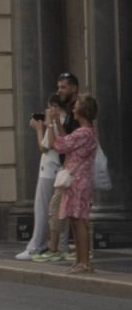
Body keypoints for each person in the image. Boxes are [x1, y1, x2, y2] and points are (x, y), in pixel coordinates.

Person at [36, 73, 80, 263]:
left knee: (75, 213)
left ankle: (75, 252)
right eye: (59, 87)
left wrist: (50, 126)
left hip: (74, 170)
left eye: (63, 87)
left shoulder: (78, 112)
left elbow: (57, 145)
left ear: (73, 88)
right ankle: (58, 248)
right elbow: (63, 142)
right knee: (61, 209)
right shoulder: (70, 112)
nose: (59, 91)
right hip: (66, 167)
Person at [53, 94, 98, 274]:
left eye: (76, 106)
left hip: (77, 181)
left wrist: (53, 124)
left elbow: (60, 146)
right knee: (75, 220)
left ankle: (84, 262)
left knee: (79, 221)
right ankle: (80, 260)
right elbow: (67, 142)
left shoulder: (83, 133)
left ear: (82, 111)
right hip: (78, 180)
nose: (73, 109)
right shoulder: (88, 132)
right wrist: (57, 123)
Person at [19, 94, 65, 261]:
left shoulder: (57, 121)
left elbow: (45, 147)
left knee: (43, 210)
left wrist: (40, 129)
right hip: (56, 170)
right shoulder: (62, 122)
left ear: (54, 106)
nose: (46, 111)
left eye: (49, 107)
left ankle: (35, 247)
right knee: (57, 210)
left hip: (49, 170)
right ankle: (61, 246)